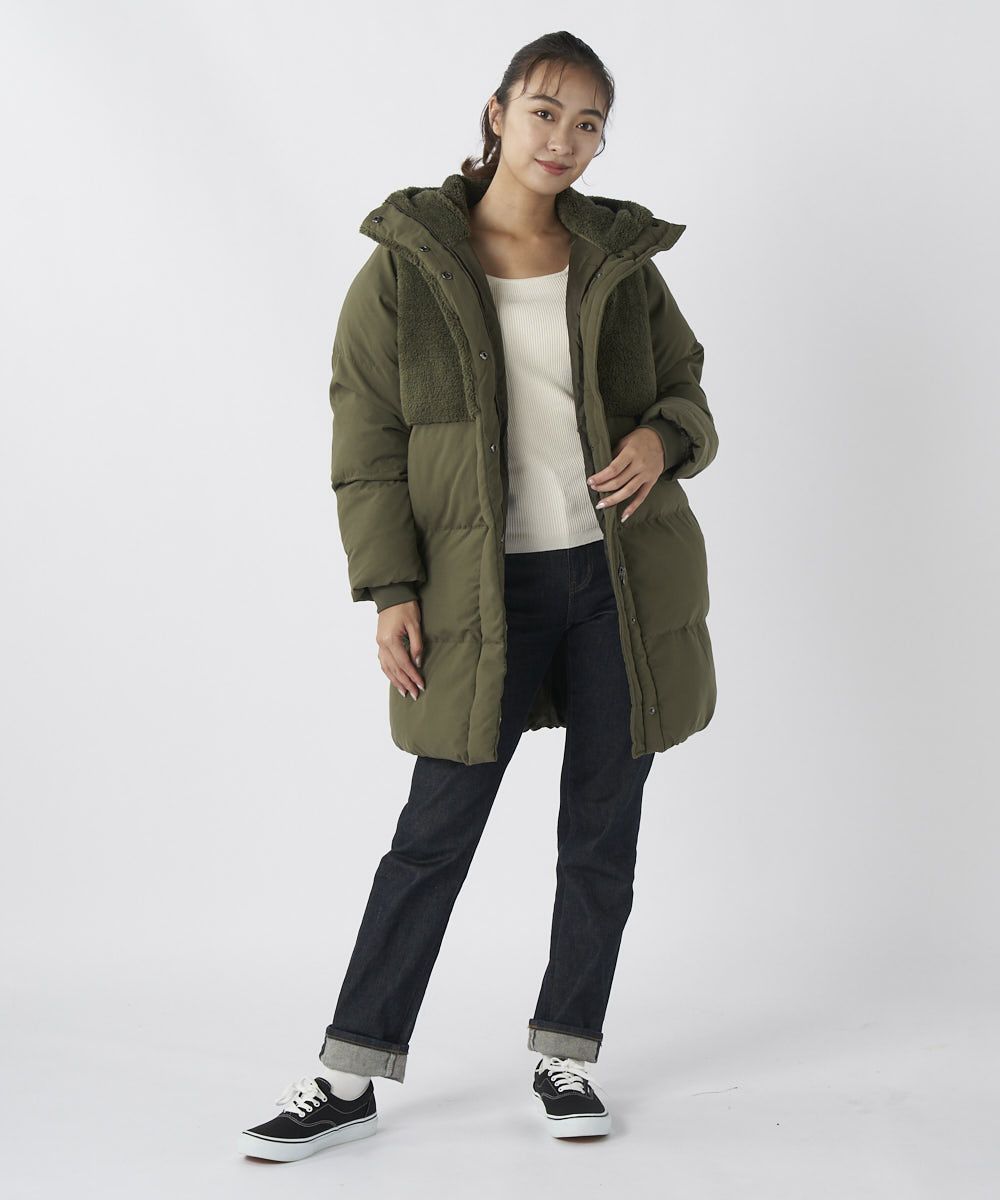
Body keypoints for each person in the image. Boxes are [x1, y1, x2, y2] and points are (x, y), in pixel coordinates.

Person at [239, 29, 719, 1162]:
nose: (565, 139)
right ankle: (347, 1074)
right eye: (546, 111)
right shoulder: (408, 265)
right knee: (434, 831)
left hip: (615, 581)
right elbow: (366, 444)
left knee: (602, 828)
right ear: (498, 112)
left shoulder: (618, 262)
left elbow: (688, 389)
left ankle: (567, 1050)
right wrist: (390, 588)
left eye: (590, 123)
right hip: (478, 590)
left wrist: (662, 438)